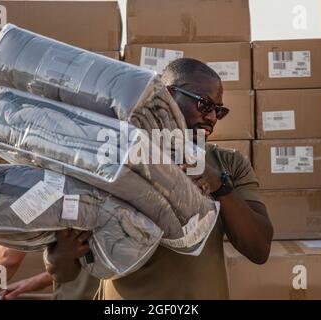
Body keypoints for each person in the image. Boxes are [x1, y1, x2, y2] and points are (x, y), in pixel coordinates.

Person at [45, 58, 274, 300]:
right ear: (166, 96)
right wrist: (64, 253)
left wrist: (221, 185)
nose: (213, 117)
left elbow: (259, 249)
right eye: (204, 104)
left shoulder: (229, 164)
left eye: (220, 110)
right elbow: (62, 271)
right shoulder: (115, 157)